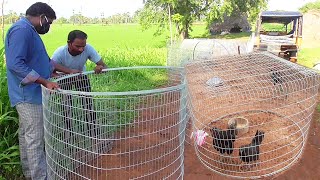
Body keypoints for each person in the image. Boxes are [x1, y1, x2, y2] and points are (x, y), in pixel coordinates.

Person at [5, 2, 79, 179]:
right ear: (42, 18)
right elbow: (15, 64)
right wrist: (45, 81)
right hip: (28, 95)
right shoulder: (22, 31)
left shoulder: (29, 31)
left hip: (32, 93)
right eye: (49, 22)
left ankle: (30, 173)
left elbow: (47, 61)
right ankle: (40, 177)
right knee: (35, 140)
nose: (49, 26)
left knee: (27, 136)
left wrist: (67, 71)